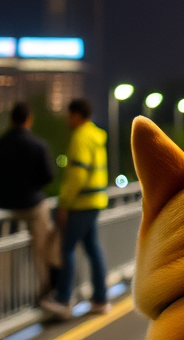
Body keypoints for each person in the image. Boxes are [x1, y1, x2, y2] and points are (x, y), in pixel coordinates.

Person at [40, 98, 110, 320]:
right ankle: (100, 298)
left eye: (69, 115)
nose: (67, 120)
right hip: (95, 200)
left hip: (80, 203)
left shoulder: (80, 137)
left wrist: (64, 204)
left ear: (78, 115)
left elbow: (77, 175)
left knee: (67, 249)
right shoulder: (95, 136)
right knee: (92, 248)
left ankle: (63, 298)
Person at [0, 100, 58, 298]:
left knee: (4, 252)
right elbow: (47, 177)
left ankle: (4, 298)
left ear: (10, 120)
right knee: (42, 249)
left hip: (6, 207)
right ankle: (45, 291)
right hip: (33, 205)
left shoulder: (2, 145)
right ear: (29, 120)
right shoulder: (37, 145)